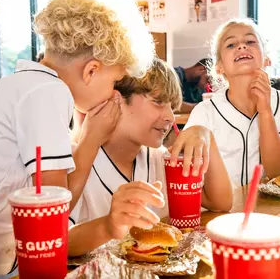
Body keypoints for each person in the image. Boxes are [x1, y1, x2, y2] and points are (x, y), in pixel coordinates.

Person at [0, 0, 155, 275]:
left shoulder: (19, 84)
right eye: (114, 81)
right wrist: (92, 139)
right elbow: (52, 211)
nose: (114, 91)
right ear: (91, 70)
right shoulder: (48, 92)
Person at [68, 58, 232, 256]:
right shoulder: (76, 158)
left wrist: (206, 136)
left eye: (171, 106)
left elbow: (220, 203)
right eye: (158, 102)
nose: (170, 117)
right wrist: (109, 224)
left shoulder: (156, 156)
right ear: (117, 99)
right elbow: (60, 241)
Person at [185, 18, 280, 188]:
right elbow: (190, 175)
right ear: (219, 67)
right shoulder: (205, 112)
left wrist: (265, 110)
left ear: (266, 58)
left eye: (250, 41)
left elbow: (276, 173)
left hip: (271, 211)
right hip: (221, 211)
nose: (242, 46)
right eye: (230, 45)